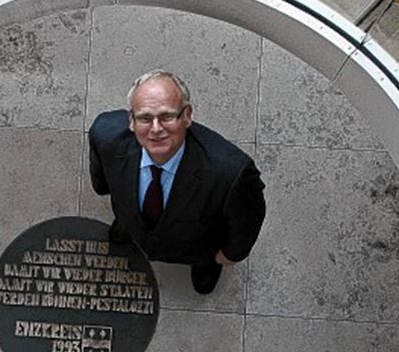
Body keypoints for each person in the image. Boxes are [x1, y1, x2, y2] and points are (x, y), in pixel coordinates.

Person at [88, 70, 266, 294]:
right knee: (129, 219)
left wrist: (230, 254)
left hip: (196, 245)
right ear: (131, 121)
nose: (155, 129)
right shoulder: (106, 133)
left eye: (167, 117)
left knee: (205, 258)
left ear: (187, 115)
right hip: (131, 215)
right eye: (144, 118)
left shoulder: (232, 173)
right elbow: (101, 176)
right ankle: (129, 228)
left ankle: (205, 266)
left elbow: (247, 221)